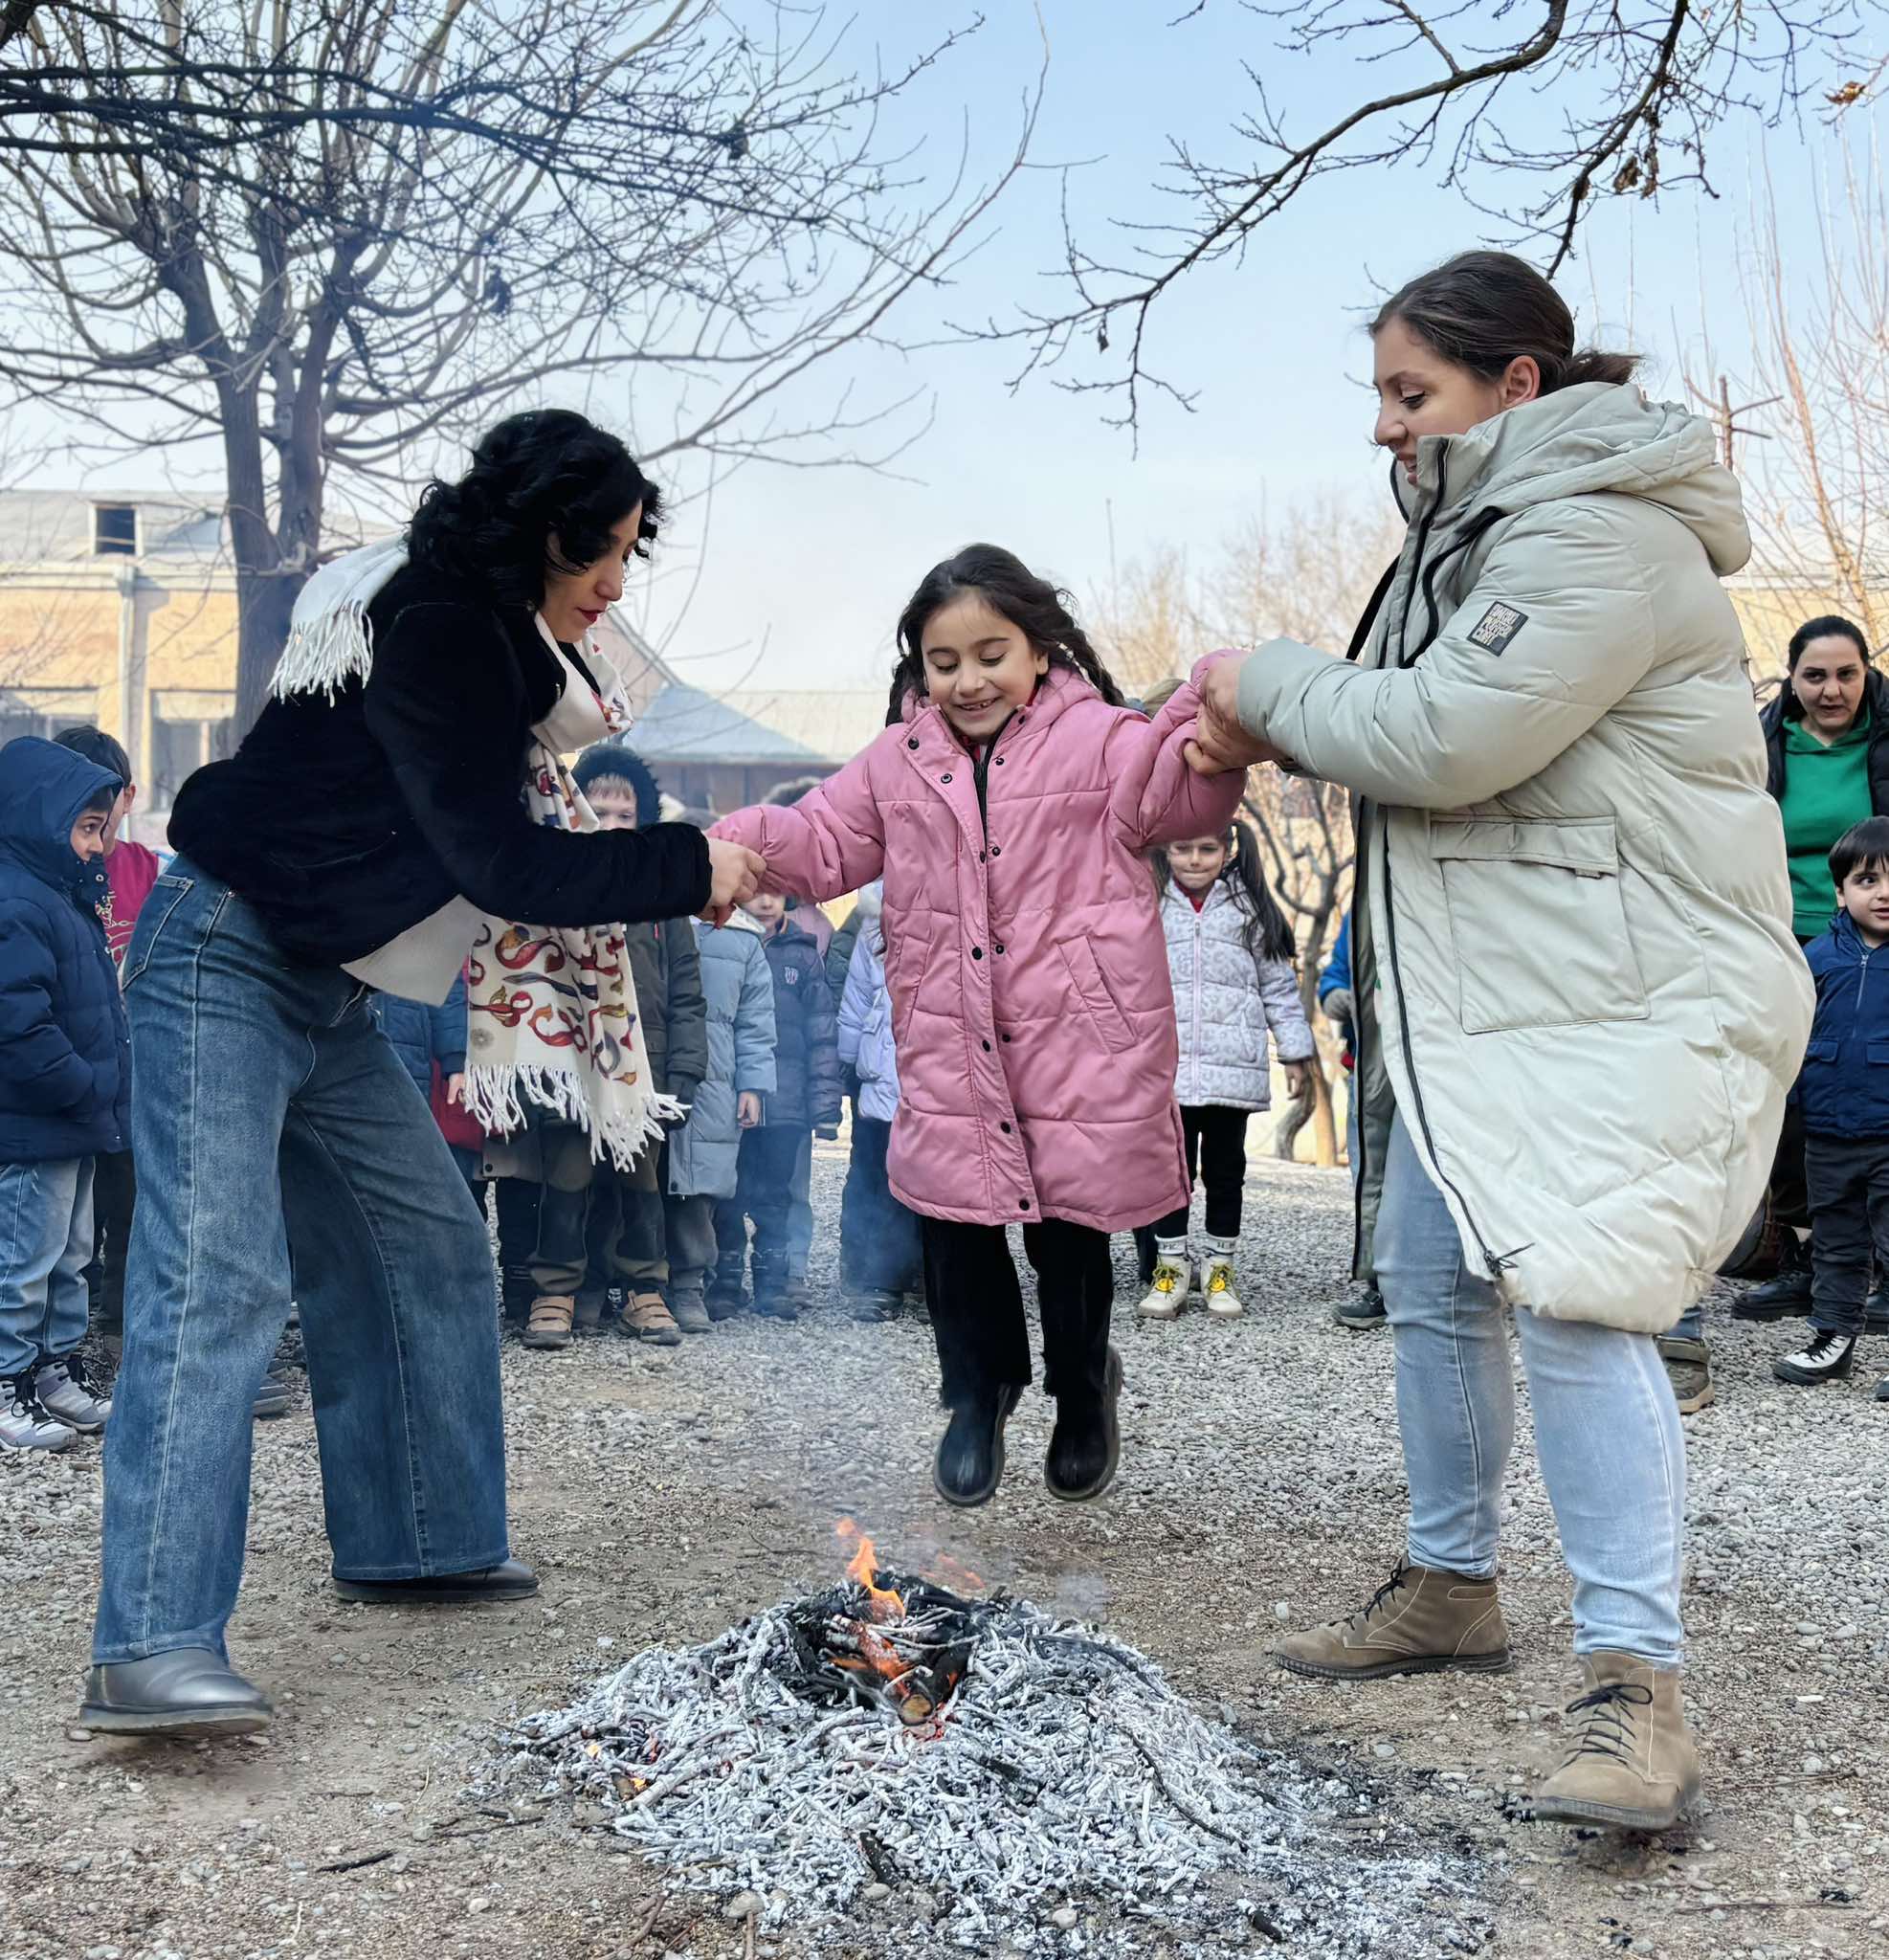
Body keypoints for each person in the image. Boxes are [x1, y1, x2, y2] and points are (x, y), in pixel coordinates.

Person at [1187, 251, 1811, 1831]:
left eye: (1410, 394)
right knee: (1425, 1274)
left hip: (1619, 992)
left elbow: (1441, 739)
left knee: (1578, 1301)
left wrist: (1249, 679)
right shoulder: (1475, 532)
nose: (1382, 428)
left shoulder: (1591, 530)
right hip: (1507, 993)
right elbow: (1407, 727)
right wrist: (1276, 715)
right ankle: (1451, 1581)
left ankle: (1632, 1689)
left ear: (1511, 387)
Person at [81, 408, 764, 1738]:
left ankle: (418, 1541)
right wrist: (689, 864)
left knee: (432, 1245)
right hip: (225, 954)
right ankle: (150, 1644)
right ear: (545, 530)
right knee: (214, 1278)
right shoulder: (444, 625)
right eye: (611, 551)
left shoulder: (484, 639)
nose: (620, 583)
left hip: (323, 991)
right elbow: (500, 862)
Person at [713, 545, 1246, 1508]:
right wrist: (736, 841)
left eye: (990, 653)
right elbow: (824, 840)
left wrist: (1223, 690)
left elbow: (1188, 792)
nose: (967, 679)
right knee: (955, 1225)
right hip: (952, 1031)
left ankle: (1084, 1389)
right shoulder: (896, 763)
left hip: (1078, 1034)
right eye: (943, 660)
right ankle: (977, 1390)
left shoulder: (1105, 742)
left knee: (1070, 1231)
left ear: (1040, 649)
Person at [1722, 615, 1889, 1350]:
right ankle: (1803, 1252)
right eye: (1814, 676)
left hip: (1878, 937)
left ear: (1866, 673)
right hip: (1783, 943)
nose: (1831, 690)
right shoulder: (1762, 746)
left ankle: (1873, 1261)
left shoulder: (1884, 743)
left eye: (1845, 674)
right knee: (1790, 1096)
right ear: (1791, 680)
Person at [0, 738, 126, 1453]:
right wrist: (84, 1085)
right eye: (85, 828)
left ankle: (55, 1371)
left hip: (74, 1120)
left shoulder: (60, 896)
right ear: (40, 821)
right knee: (24, 1259)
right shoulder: (15, 900)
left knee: (72, 1255)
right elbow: (18, 1022)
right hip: (36, 1120)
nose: (95, 846)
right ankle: (8, 1379)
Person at [1139, 823, 1313, 1319]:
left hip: (1230, 1069)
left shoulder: (1249, 910)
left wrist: (1296, 1052)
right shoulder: (1150, 903)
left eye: (1207, 848)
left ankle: (1220, 1269)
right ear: (1166, 850)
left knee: (1225, 1172)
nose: (1195, 859)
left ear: (1227, 849)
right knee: (1168, 1174)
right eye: (1184, 848)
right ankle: (1170, 1268)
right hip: (1165, 1069)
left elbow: (1278, 987)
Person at [573, 743, 709, 1341]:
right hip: (580, 1068)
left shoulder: (662, 901)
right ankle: (579, 1289)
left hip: (647, 1073)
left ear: (644, 821)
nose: (610, 826)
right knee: (576, 1183)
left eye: (624, 816)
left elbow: (686, 994)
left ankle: (644, 1288)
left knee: (640, 1184)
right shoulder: (561, 891)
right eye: (597, 812)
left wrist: (684, 1070)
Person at [51, 726, 161, 1357]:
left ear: (127, 797)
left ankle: (120, 1326)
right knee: (63, 1212)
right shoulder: (48, 869)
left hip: (133, 1062)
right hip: (63, 1065)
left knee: (132, 1195)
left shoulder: (148, 869)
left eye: (109, 799)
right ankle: (56, 1345)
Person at [1773, 816, 1889, 1398]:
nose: (1884, 893)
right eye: (1868, 880)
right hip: (1827, 1133)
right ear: (1840, 891)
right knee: (1838, 1240)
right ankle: (1833, 1336)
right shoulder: (1815, 958)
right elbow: (1790, 1037)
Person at [711, 890, 841, 1320]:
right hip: (734, 1096)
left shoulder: (803, 955)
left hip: (786, 1102)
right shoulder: (724, 941)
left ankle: (773, 1283)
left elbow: (822, 1032)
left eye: (776, 892)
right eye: (756, 891)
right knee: (727, 1194)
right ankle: (725, 1284)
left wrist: (824, 1106)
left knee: (776, 1198)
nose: (766, 901)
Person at [670, 863, 778, 1326]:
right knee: (646, 1180)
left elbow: (756, 1022)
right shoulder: (661, 922)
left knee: (700, 1185)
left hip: (715, 1076)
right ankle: (641, 1286)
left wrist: (752, 1085)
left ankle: (689, 1285)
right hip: (657, 1065)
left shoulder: (745, 941)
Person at [835, 881, 923, 1321]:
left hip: (935, 1083)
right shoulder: (873, 930)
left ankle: (930, 1278)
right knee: (880, 1185)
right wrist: (847, 1062)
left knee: (933, 1185)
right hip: (881, 1079)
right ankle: (880, 1278)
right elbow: (856, 999)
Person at [1318, 911, 1386, 1330]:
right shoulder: (1363, 912)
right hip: (1370, 1060)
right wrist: (1336, 993)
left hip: (1442, 1063)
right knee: (1374, 1172)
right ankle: (1383, 1281)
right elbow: (1337, 971)